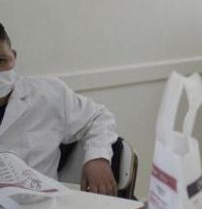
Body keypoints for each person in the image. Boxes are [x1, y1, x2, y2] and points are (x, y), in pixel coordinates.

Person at [0, 22, 118, 194]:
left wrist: (97, 157)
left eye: (1, 61)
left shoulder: (48, 94)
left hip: (44, 202)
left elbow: (98, 117)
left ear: (14, 56)